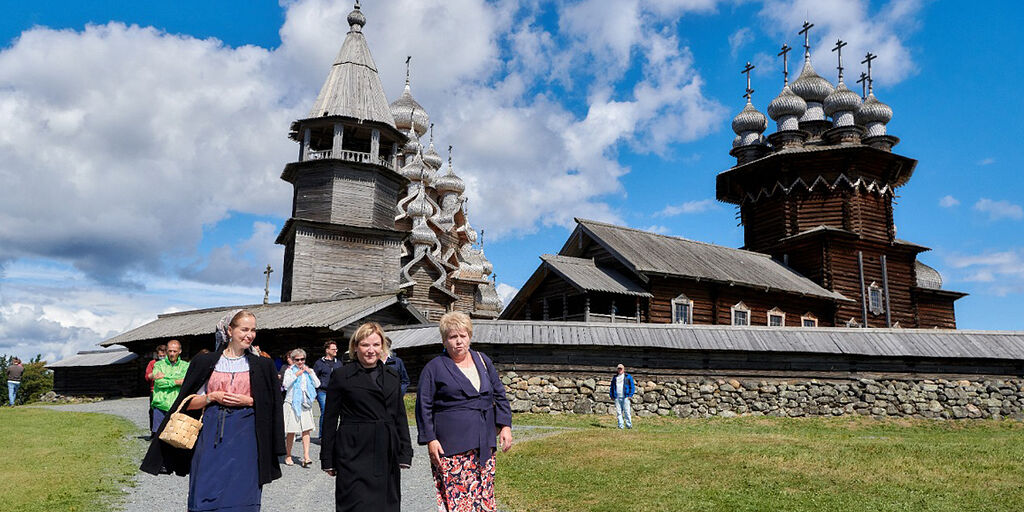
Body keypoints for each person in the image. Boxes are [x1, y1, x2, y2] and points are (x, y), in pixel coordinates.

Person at [141, 309, 285, 511]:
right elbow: (187, 403)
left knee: (243, 488)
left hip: (247, 436)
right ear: (229, 330)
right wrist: (211, 397)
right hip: (210, 434)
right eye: (244, 329)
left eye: (253, 330)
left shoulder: (263, 365)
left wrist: (250, 401)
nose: (249, 335)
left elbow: (273, 404)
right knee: (206, 485)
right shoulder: (206, 362)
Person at [416, 311, 513, 511]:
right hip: (451, 444)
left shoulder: (483, 360)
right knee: (458, 498)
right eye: (453, 337)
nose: (459, 341)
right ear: (444, 341)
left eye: (463, 335)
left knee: (484, 494)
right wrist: (430, 439)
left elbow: (499, 394)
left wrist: (505, 426)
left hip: (484, 439)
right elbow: (423, 405)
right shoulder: (434, 368)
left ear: (470, 336)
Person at [321, 322, 412, 512]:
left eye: (376, 345)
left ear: (382, 347)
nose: (371, 350)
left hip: (385, 449)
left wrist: (405, 452)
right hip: (353, 450)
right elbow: (330, 419)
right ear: (355, 347)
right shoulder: (341, 375)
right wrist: (328, 458)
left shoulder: (392, 375)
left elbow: (400, 416)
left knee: (385, 505)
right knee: (354, 503)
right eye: (365, 345)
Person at [283, 348, 319, 467]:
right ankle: (288, 455)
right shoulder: (289, 371)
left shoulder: (309, 371)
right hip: (293, 403)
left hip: (305, 404)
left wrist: (310, 373)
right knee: (291, 431)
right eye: (297, 360)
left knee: (306, 430)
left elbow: (317, 384)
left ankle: (306, 456)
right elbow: (286, 384)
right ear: (293, 360)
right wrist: (296, 375)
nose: (300, 362)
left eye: (302, 359)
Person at [150, 340, 189, 435]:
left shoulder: (186, 366)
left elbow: (186, 382)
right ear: (166, 350)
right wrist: (176, 381)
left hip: (177, 405)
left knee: (175, 435)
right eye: (170, 351)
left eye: (174, 351)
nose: (172, 354)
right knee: (158, 436)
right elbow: (159, 383)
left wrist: (166, 378)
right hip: (160, 405)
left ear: (180, 351)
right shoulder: (159, 365)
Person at [313, 340, 343, 437]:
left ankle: (333, 434)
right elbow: (314, 377)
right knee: (325, 411)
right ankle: (323, 435)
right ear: (327, 350)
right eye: (333, 349)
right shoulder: (319, 363)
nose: (336, 351)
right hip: (323, 391)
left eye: (336, 349)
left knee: (335, 412)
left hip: (336, 391)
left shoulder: (338, 363)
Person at [145, 345, 167, 430]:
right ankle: (153, 432)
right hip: (154, 390)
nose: (161, 357)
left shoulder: (170, 364)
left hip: (167, 390)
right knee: (153, 411)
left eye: (163, 356)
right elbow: (147, 376)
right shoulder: (152, 363)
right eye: (160, 356)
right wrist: (155, 375)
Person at [609, 363, 636, 429]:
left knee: (627, 412)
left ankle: (629, 425)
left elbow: (632, 387)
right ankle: (621, 426)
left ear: (623, 369)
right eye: (619, 369)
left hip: (626, 397)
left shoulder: (628, 377)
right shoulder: (615, 377)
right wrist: (611, 395)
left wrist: (630, 395)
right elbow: (612, 387)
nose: (620, 370)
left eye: (621, 369)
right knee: (619, 412)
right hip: (617, 397)